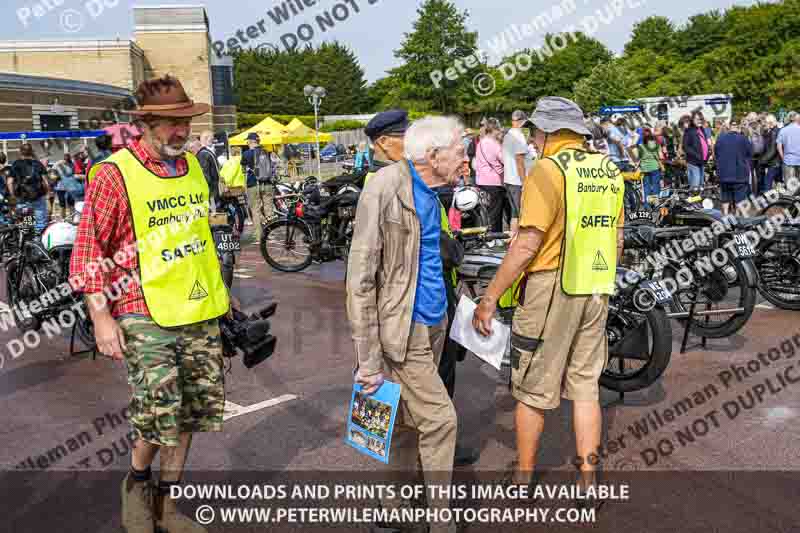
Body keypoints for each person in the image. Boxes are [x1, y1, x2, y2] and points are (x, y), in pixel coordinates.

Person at [69, 75, 232, 533]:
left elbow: (199, 239)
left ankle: (167, 504)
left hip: (199, 307)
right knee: (158, 408)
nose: (181, 132)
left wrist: (224, 297)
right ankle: (136, 484)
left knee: (191, 412)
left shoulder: (196, 168)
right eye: (170, 124)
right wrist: (101, 317)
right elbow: (87, 254)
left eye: (185, 123)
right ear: (144, 123)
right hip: (142, 307)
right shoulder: (112, 174)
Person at [472, 97, 624, 498]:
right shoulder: (609, 170)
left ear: (553, 132)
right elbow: (617, 238)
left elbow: (526, 246)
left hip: (550, 288)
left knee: (532, 386)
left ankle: (522, 479)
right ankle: (589, 481)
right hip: (595, 284)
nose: (534, 141)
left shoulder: (547, 170)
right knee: (586, 386)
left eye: (537, 132)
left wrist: (489, 298)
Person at [347, 115, 465, 533]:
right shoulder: (382, 188)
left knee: (402, 422)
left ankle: (393, 505)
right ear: (433, 156)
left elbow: (430, 259)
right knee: (440, 420)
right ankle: (440, 520)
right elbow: (360, 278)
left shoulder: (434, 194)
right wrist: (368, 358)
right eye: (460, 150)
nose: (465, 159)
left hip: (434, 324)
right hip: (403, 329)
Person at [503, 110, 535, 236]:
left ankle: (513, 239)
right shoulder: (518, 136)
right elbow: (519, 160)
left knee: (514, 214)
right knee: (522, 213)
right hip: (517, 181)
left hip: (509, 179)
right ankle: (520, 241)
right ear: (522, 121)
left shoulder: (508, 135)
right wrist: (524, 182)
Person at [8, 142, 50, 232]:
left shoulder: (15, 164)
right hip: (38, 197)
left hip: (22, 198)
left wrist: (13, 195)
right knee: (40, 223)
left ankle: (27, 242)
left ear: (20, 152)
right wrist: (47, 193)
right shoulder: (38, 164)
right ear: (32, 152)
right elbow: (46, 182)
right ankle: (38, 242)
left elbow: (10, 182)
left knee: (26, 223)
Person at [474, 117, 506, 232]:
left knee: (485, 211)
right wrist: (503, 174)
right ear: (494, 130)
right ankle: (494, 237)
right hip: (494, 182)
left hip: (481, 181)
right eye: (498, 130)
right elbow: (503, 160)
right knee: (495, 212)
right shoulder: (493, 144)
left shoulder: (480, 143)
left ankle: (485, 235)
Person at [715, 121, 753, 215]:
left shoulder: (720, 138)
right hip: (739, 174)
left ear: (729, 127)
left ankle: (725, 214)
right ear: (738, 128)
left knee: (725, 196)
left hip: (724, 174)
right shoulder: (743, 139)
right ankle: (737, 217)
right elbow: (750, 153)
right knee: (739, 198)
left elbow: (716, 153)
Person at [363, 109, 409, 185]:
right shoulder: (380, 181)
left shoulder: (395, 174)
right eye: (405, 138)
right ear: (383, 142)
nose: (410, 143)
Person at [241, 132, 273, 236]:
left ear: (250, 141)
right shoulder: (266, 152)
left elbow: (243, 170)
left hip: (253, 184)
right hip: (267, 184)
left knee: (255, 209)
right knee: (269, 210)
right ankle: (271, 233)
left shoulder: (246, 154)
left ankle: (259, 236)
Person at [194, 130, 222, 211]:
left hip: (211, 188)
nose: (213, 141)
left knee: (213, 211)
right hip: (212, 188)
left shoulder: (204, 153)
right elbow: (206, 173)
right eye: (212, 139)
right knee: (214, 211)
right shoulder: (206, 153)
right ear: (206, 138)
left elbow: (205, 174)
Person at [682, 112, 710, 190]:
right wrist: (697, 156)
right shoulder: (689, 131)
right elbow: (685, 147)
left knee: (701, 185)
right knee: (695, 186)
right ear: (692, 120)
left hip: (702, 161)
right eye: (697, 119)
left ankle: (699, 201)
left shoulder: (701, 129)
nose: (699, 121)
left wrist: (708, 154)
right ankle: (693, 201)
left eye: (700, 119)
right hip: (693, 162)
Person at [639, 127, 664, 205]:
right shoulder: (657, 145)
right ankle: (656, 203)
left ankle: (647, 204)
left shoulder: (641, 146)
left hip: (644, 169)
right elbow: (661, 157)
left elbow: (639, 157)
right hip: (654, 168)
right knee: (655, 185)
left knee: (646, 186)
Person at [759, 114, 782, 194]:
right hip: (776, 161)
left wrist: (762, 160)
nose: (765, 124)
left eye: (766, 122)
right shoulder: (774, 131)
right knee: (778, 183)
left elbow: (773, 149)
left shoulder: (774, 132)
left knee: (767, 182)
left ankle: (766, 202)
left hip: (774, 162)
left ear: (771, 123)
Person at [777, 111, 800, 185]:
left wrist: (783, 157)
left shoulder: (783, 130)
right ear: (797, 119)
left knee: (790, 185)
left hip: (788, 160)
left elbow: (779, 146)